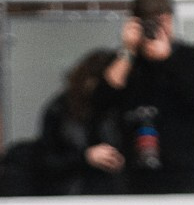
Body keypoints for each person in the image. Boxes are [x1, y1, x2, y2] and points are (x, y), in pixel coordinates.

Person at [100, 0, 194, 195]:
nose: (156, 30)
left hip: (185, 169)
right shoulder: (125, 62)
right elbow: (102, 101)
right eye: (149, 23)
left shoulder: (192, 57)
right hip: (133, 172)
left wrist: (166, 60)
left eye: (162, 22)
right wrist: (128, 50)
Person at [34, 49, 126, 196]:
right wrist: (86, 157)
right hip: (74, 192)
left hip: (119, 191)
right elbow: (47, 160)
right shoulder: (61, 109)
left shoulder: (122, 106)